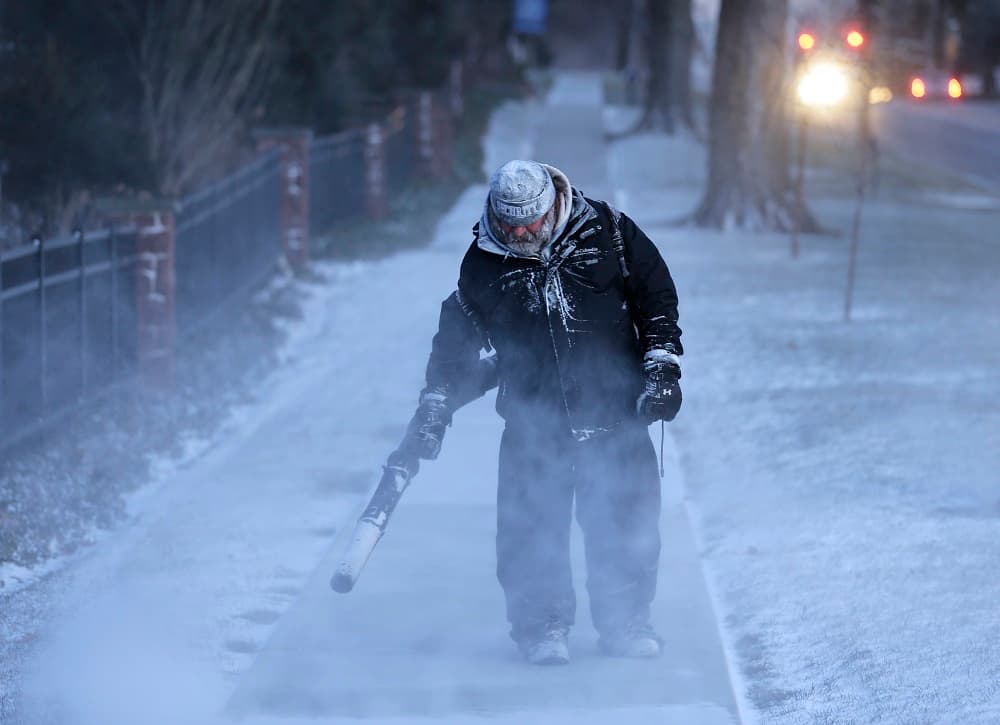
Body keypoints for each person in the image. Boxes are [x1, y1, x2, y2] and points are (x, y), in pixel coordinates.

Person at [399, 160, 683, 665]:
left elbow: (656, 298)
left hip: (615, 414)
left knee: (625, 522)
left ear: (552, 203)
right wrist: (437, 403)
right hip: (534, 425)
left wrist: (661, 368)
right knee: (529, 529)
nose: (522, 232)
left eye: (530, 222)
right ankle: (541, 626)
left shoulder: (609, 232)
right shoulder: (484, 264)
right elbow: (457, 343)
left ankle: (626, 621)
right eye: (511, 225)